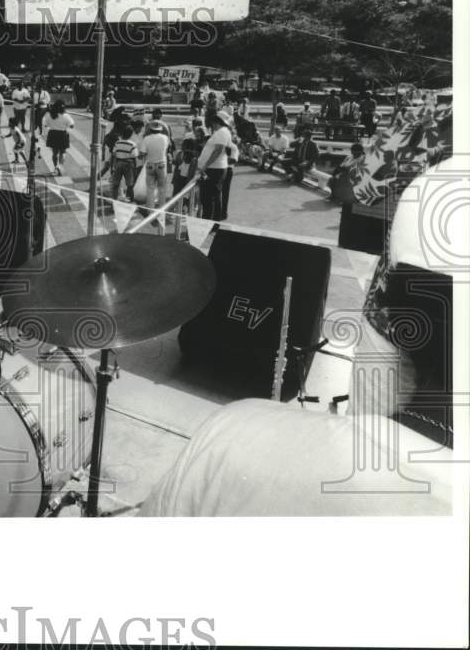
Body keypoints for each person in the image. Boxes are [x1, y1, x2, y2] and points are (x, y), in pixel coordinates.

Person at [140, 158, 461, 516]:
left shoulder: (230, 435)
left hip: (392, 329)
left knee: (362, 453)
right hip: (403, 328)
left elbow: (351, 186)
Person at [196, 110, 232, 221]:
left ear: (216, 122)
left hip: (214, 170)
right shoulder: (222, 132)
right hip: (215, 169)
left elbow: (218, 150)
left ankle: (207, 223)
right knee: (214, 197)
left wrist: (205, 166)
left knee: (208, 198)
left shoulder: (222, 132)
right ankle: (213, 222)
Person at [141, 120, 172, 223]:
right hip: (162, 165)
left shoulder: (146, 139)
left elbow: (143, 153)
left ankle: (150, 213)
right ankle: (161, 211)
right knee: (162, 189)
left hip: (150, 164)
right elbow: (167, 148)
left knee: (150, 189)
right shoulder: (165, 138)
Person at [43, 99, 74, 176]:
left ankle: (55, 167)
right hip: (63, 134)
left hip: (53, 134)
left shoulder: (49, 115)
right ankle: (60, 167)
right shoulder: (66, 116)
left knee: (54, 153)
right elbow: (72, 126)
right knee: (62, 152)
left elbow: (45, 125)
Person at [109, 123, 140, 201]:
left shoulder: (117, 143)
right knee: (130, 184)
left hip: (118, 163)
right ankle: (130, 200)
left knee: (116, 184)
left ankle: (114, 200)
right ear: (131, 134)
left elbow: (113, 155)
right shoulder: (132, 144)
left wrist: (112, 167)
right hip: (128, 164)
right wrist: (135, 169)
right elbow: (134, 158)